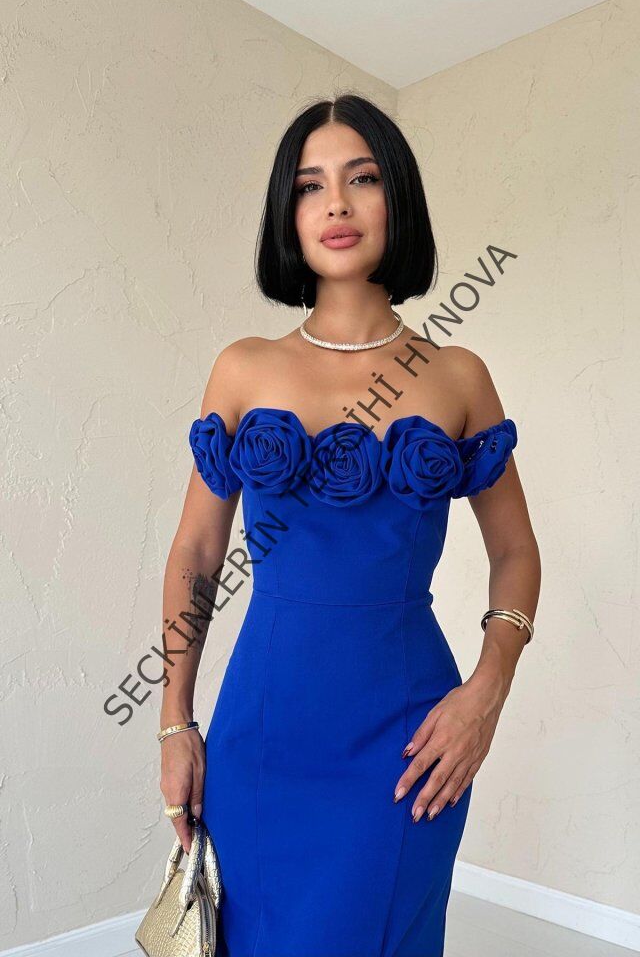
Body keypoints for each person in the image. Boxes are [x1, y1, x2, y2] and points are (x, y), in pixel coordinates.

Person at [158, 93, 541, 957]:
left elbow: (517, 550)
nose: (336, 203)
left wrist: (488, 689)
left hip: (407, 741)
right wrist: (175, 720)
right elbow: (197, 551)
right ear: (287, 214)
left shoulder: (458, 375)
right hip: (262, 730)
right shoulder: (243, 367)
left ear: (396, 196)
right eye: (310, 185)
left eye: (361, 178)